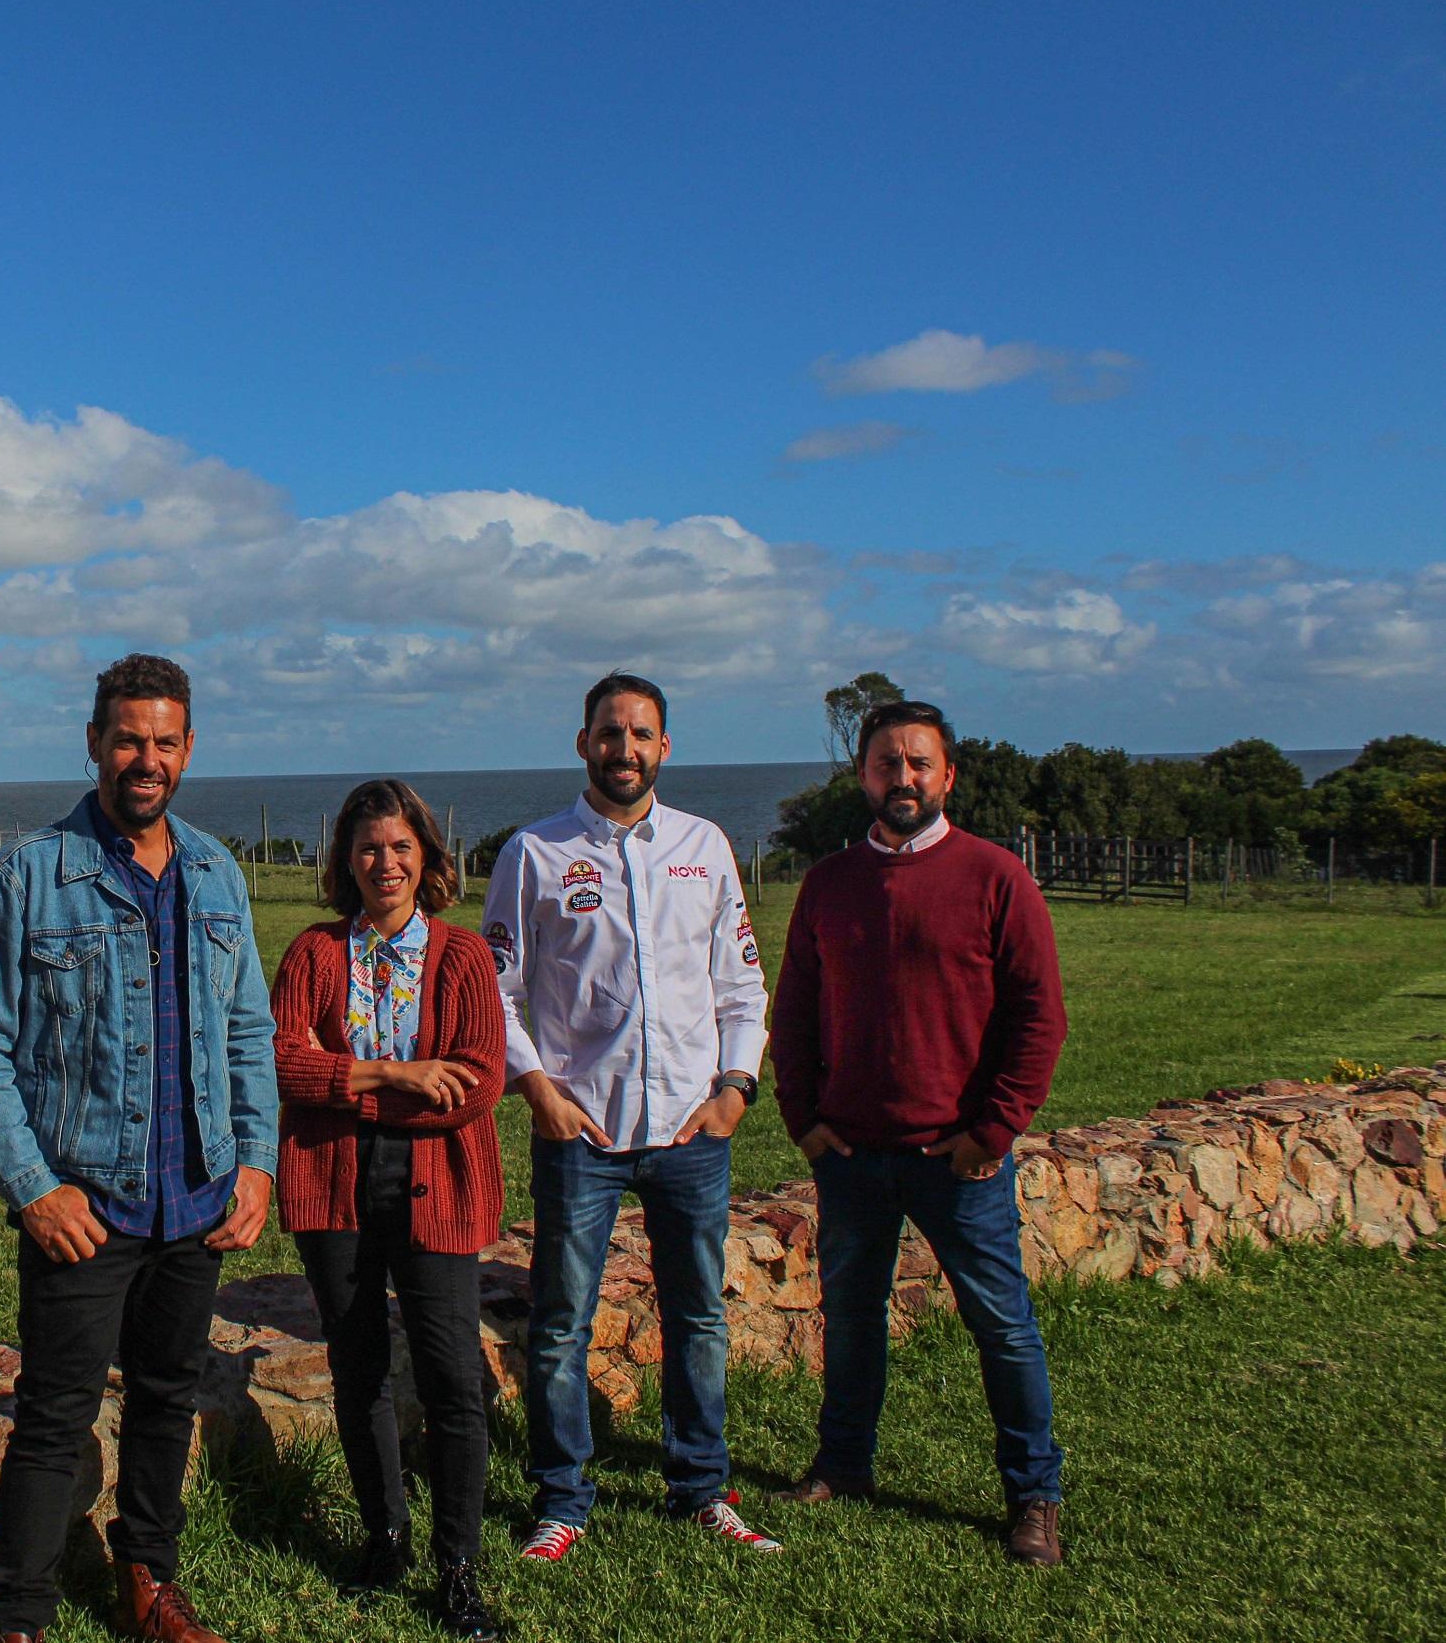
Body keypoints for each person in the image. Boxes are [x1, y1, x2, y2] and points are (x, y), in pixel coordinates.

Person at [0, 654, 279, 1643]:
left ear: (187, 748)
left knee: (167, 1401)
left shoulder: (218, 871)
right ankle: (20, 1619)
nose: (146, 758)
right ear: (93, 742)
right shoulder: (25, 876)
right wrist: (33, 1188)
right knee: (54, 1416)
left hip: (196, 1196)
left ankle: (148, 1584)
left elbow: (249, 1033)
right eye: (128, 738)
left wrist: (255, 1159)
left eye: (164, 741)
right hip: (84, 1207)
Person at [483, 670, 779, 1560]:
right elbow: (495, 994)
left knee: (698, 1315)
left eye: (641, 734)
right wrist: (537, 1090)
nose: (625, 749)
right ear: (583, 744)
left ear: (664, 748)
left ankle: (700, 1487)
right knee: (562, 1321)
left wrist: (736, 1089)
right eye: (609, 733)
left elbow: (741, 982)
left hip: (692, 1130)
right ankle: (563, 1499)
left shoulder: (705, 845)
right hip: (586, 1134)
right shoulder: (533, 852)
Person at [769, 698, 1069, 1565]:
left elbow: (1038, 1018)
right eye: (885, 764)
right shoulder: (830, 883)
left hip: (960, 1160)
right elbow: (793, 1013)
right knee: (852, 1319)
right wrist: (806, 1122)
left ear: (947, 775)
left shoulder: (995, 877)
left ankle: (1033, 1498)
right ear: (862, 775)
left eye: (918, 764)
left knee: (1003, 1327)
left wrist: (995, 1130)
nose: (902, 778)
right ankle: (843, 1465)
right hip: (853, 1155)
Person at [271, 779, 507, 1641]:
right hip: (331, 1185)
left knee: (450, 1378)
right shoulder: (311, 954)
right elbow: (282, 1067)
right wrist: (396, 1074)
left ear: (428, 857)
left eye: (402, 846)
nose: (386, 863)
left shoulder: (463, 956)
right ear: (346, 860)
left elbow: (476, 1085)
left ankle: (460, 1568)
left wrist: (347, 1085)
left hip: (437, 1183)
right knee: (358, 1368)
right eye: (369, 848)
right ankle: (387, 1536)